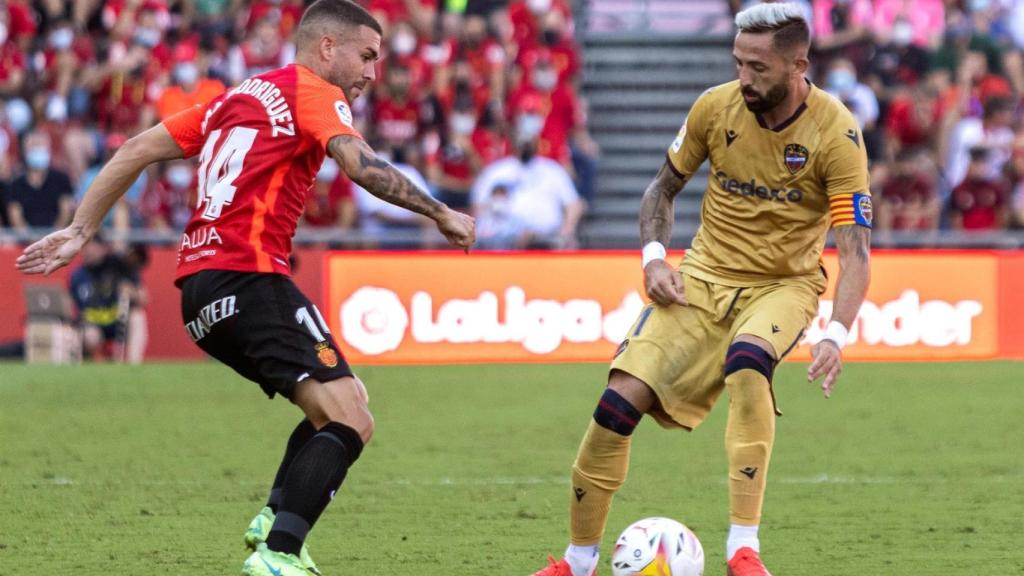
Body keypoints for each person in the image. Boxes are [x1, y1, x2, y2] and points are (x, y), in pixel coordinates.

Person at [16, 3, 475, 576]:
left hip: (200, 294)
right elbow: (362, 166)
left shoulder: (239, 98)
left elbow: (134, 150)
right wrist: (439, 212)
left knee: (342, 398)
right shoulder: (314, 91)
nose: (371, 73)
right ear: (326, 47)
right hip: (249, 275)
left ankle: (274, 520)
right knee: (351, 421)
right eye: (366, 56)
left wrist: (81, 229)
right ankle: (280, 555)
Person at [530, 4, 871, 576]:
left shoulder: (837, 133)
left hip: (782, 285)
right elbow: (661, 191)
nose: (745, 77)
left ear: (798, 65)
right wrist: (654, 259)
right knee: (615, 405)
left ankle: (743, 549)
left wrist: (836, 333)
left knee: (747, 363)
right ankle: (577, 561)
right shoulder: (715, 107)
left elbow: (856, 250)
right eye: (738, 62)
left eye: (758, 67)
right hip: (703, 278)